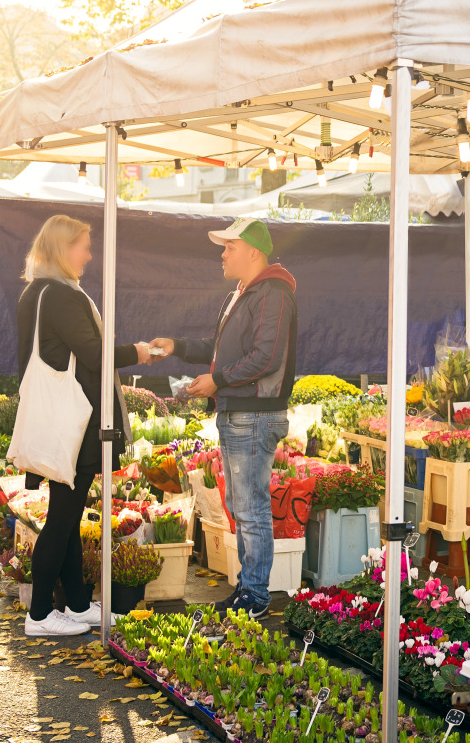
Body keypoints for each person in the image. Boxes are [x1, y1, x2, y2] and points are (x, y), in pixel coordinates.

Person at [151, 217, 298, 619]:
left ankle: (255, 595)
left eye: (229, 246)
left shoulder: (274, 293)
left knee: (250, 507)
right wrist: (177, 346)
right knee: (241, 503)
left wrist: (218, 380)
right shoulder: (243, 294)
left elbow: (266, 358)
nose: (222, 253)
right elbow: (221, 350)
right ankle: (248, 591)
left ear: (253, 251)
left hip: (254, 413)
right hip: (239, 412)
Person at [16, 214, 155, 637]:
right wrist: (140, 352)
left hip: (60, 421)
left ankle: (76, 604)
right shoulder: (60, 295)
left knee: (69, 513)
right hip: (72, 425)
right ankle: (39, 614)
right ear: (62, 248)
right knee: (61, 518)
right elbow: (93, 355)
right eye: (83, 247)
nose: (89, 256)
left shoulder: (36, 292)